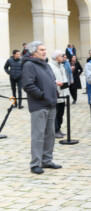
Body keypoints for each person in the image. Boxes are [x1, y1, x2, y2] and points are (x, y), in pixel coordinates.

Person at [21, 41, 62, 174]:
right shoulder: (29, 65)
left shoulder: (46, 64)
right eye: (41, 50)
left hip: (51, 104)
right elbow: (28, 85)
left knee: (49, 135)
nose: (44, 52)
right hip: (39, 105)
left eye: (45, 49)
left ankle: (47, 160)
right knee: (38, 135)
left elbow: (50, 81)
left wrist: (54, 89)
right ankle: (35, 164)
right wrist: (42, 95)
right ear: (33, 52)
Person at [47, 50, 70, 139]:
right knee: (55, 113)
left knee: (61, 113)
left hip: (63, 93)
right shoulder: (50, 66)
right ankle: (54, 130)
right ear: (57, 57)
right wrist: (56, 82)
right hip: (55, 92)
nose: (63, 57)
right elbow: (49, 77)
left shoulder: (62, 65)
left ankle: (59, 129)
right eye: (61, 56)